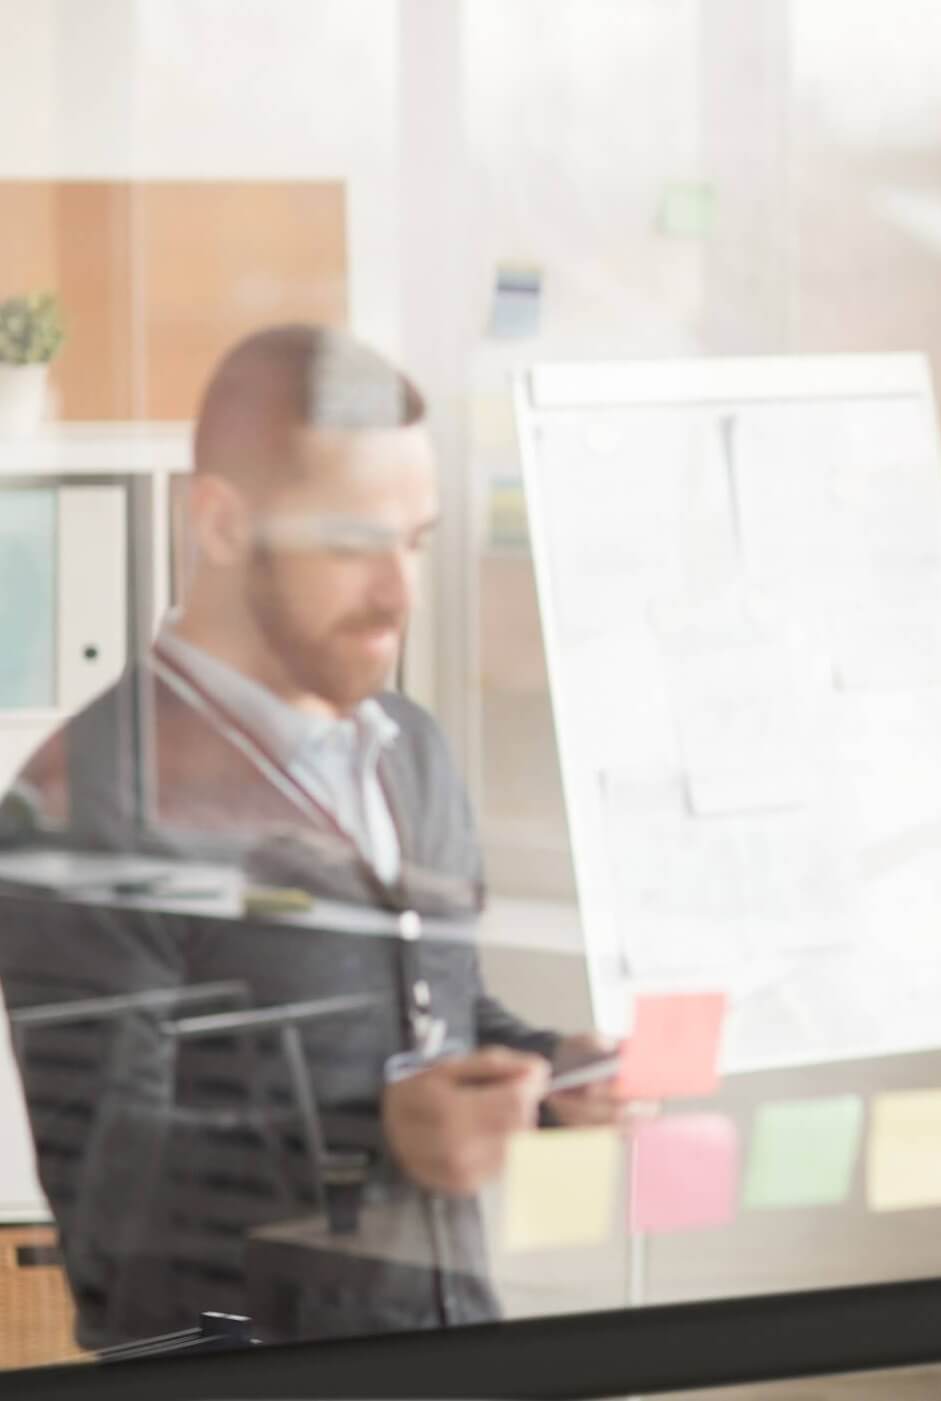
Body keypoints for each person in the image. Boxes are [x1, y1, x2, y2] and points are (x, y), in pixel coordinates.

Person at [0, 325, 616, 1348]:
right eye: (352, 541)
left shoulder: (405, 746)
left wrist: (548, 1074)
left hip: (449, 1334)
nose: (398, 593)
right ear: (224, 523)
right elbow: (111, 1207)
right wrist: (375, 1145)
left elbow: (422, 1018)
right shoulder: (83, 806)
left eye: (413, 540)